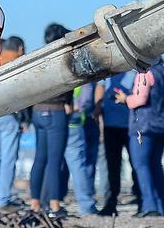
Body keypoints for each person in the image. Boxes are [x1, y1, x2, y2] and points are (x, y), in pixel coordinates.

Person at [120, 58, 164, 217]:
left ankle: (149, 205)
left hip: (143, 127)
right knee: (156, 165)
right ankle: (160, 205)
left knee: (141, 166)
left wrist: (125, 99)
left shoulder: (144, 74)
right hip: (163, 126)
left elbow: (139, 99)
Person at [28, 23, 72, 217]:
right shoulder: (63, 57)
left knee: (40, 159)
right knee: (55, 161)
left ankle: (35, 203)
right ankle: (54, 205)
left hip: (38, 112)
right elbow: (70, 81)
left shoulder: (39, 57)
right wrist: (68, 102)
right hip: (56, 112)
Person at [0, 36, 25, 211]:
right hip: (9, 114)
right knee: (9, 158)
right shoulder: (18, 62)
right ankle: (4, 199)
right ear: (20, 49)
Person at [96, 70, 138, 215]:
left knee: (135, 164)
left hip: (130, 126)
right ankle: (111, 202)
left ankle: (141, 199)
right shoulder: (108, 73)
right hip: (111, 125)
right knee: (112, 167)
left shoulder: (134, 73)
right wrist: (97, 110)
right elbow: (100, 89)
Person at [65, 79, 100, 215]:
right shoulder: (83, 79)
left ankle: (47, 202)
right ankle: (86, 204)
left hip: (55, 118)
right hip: (75, 123)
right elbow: (85, 101)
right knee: (78, 165)